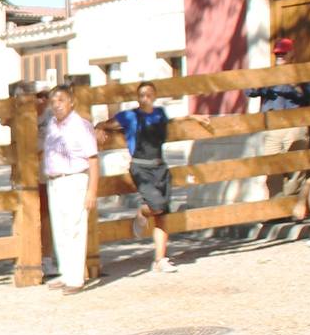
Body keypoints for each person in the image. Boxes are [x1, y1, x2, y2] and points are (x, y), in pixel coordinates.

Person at [96, 82, 211, 274]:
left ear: (154, 96)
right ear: (138, 98)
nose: (145, 98)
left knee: (163, 214)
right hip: (141, 166)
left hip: (159, 165)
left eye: (148, 94)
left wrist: (193, 117)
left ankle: (160, 259)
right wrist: (99, 129)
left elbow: (173, 121)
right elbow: (106, 124)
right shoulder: (130, 116)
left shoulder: (160, 113)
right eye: (141, 95)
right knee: (155, 205)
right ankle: (142, 212)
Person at [41, 84, 99, 295]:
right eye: (54, 101)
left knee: (74, 227)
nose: (57, 105)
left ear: (71, 101)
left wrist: (92, 190)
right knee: (60, 228)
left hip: (74, 179)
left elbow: (92, 159)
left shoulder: (80, 125)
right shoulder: (53, 125)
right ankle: (66, 272)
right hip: (55, 179)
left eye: (61, 100)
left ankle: (76, 278)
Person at [247, 38, 310, 198]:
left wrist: (295, 85)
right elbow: (249, 91)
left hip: (296, 124)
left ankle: (292, 205)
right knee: (272, 167)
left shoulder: (301, 73)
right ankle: (276, 206)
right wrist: (263, 85)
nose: (280, 56)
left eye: (283, 53)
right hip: (273, 126)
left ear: (292, 53)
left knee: (296, 166)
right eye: (277, 53)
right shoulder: (268, 73)